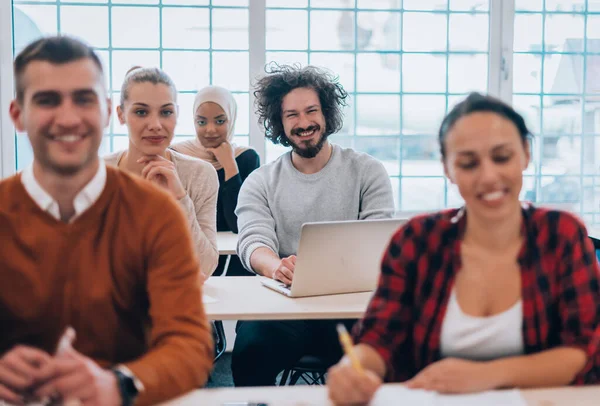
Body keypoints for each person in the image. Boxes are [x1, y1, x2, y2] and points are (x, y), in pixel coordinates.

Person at [327, 93, 600, 404]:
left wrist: (483, 375)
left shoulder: (561, 235)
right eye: (468, 163)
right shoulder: (416, 241)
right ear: (447, 168)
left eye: (502, 157)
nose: (488, 176)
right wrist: (352, 368)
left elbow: (581, 350)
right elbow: (379, 339)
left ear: (526, 154)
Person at [1, 36, 213, 406]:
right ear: (18, 114)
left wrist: (119, 384)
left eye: (83, 99)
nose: (68, 118)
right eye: (47, 100)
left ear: (104, 111)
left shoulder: (158, 212)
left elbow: (191, 345)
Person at [231, 64, 395, 386]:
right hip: (283, 308)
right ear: (279, 122)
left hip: (352, 308)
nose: (303, 123)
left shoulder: (367, 171)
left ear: (326, 114)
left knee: (393, 352)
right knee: (250, 350)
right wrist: (276, 265)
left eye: (311, 111)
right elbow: (252, 239)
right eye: (292, 115)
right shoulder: (260, 181)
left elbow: (379, 239)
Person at [104, 67, 219, 277]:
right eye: (141, 112)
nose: (156, 125)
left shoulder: (200, 174)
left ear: (177, 114)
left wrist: (179, 199)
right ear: (121, 115)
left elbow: (205, 267)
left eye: (166, 112)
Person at [172, 85, 260, 277]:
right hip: (188, 255)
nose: (210, 130)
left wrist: (229, 166)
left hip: (236, 260)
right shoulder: (177, 156)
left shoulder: (246, 157)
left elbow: (238, 224)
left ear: (232, 118)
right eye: (201, 122)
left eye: (220, 121)